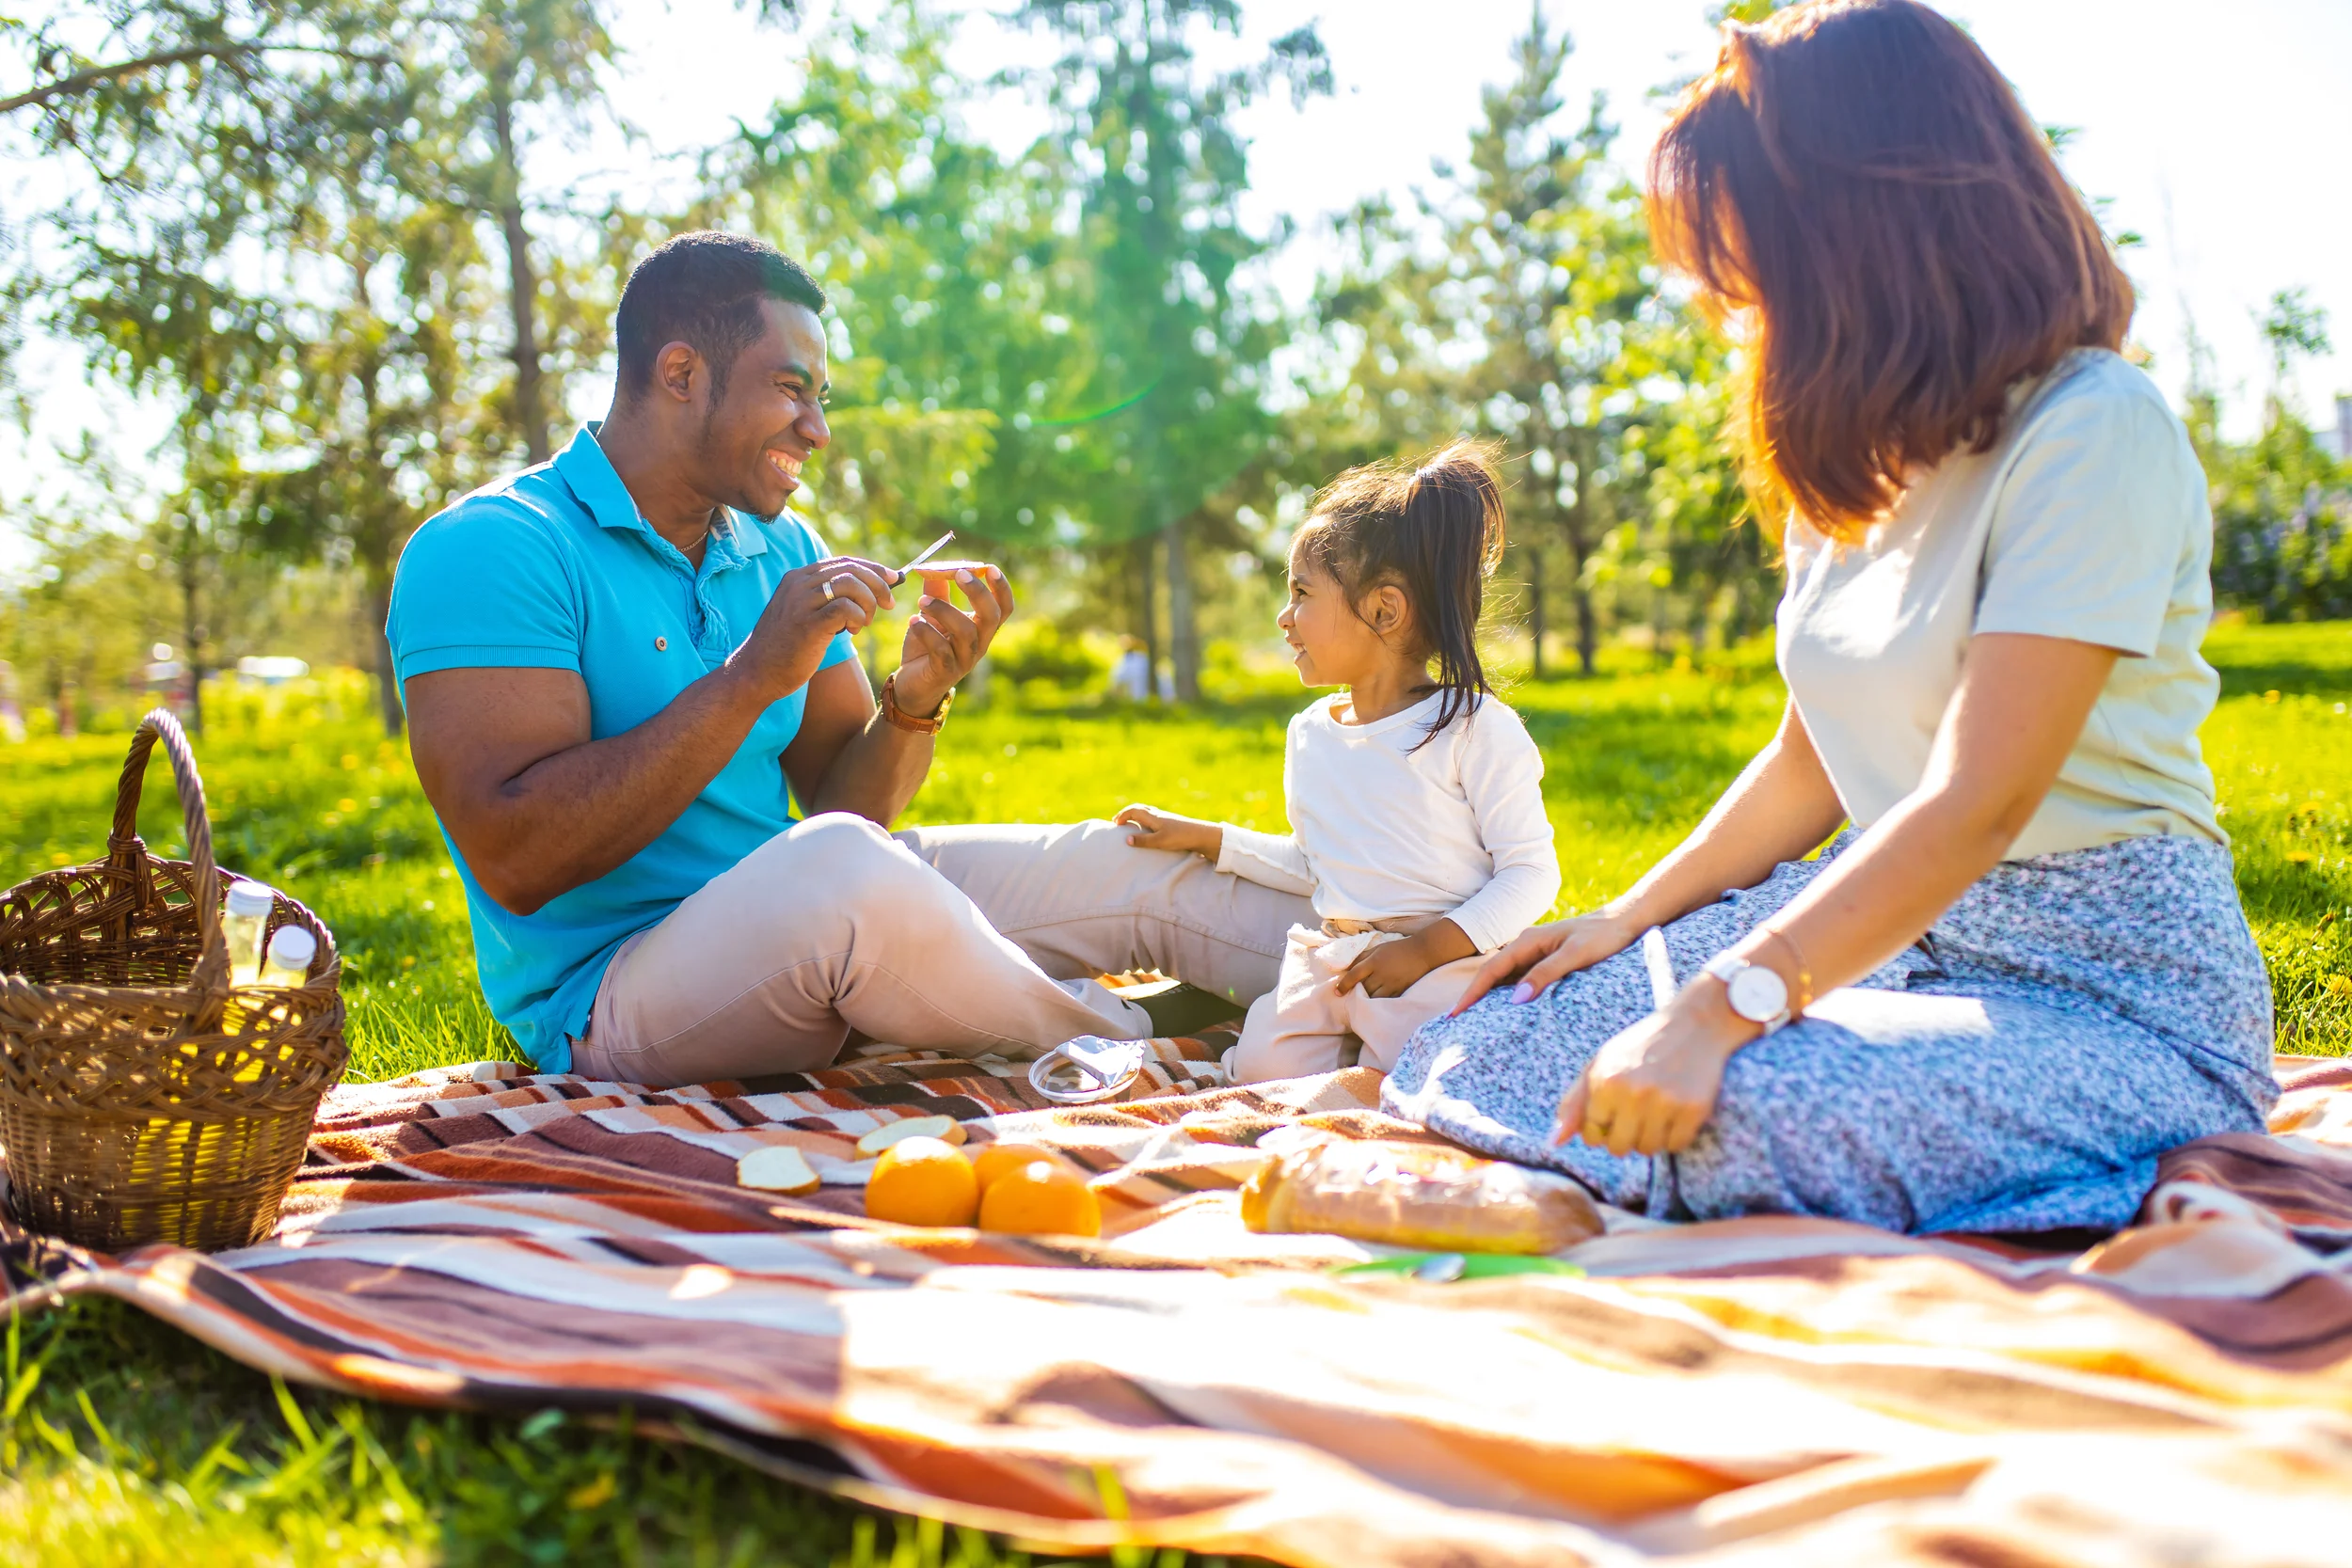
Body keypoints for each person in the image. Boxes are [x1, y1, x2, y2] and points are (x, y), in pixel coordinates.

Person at [1383, 0, 2276, 1236]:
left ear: (1864, 231)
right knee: (1504, 1028)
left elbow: (1980, 800)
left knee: (1723, 1110)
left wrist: (1721, 1001)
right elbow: (1811, 760)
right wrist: (1622, 920)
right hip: (1888, 934)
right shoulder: (1859, 466)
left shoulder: (2093, 429)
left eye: (1753, 269)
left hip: (2105, 989)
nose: (1734, 309)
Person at [389, 231, 1310, 1087]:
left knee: (1118, 859)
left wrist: (915, 697)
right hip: (609, 997)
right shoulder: (495, 546)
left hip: (808, 912)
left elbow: (843, 808)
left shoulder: (776, 546)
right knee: (839, 876)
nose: (817, 429)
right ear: (680, 372)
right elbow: (516, 856)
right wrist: (751, 675)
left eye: (818, 398)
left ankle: (1396, 978)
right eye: (792, 389)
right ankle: (1145, 1052)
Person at [1114, 443, 1559, 1082]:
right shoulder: (1310, 734)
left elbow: (1531, 873)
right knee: (1262, 1069)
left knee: (1423, 1077)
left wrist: (1425, 950)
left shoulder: (1474, 728)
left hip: (1446, 962)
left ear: (1383, 610)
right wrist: (1208, 839)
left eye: (1301, 593)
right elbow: (1318, 860)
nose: (1283, 616)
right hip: (1335, 954)